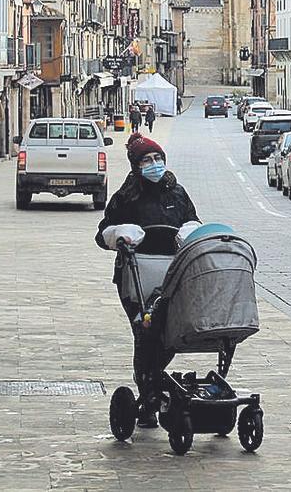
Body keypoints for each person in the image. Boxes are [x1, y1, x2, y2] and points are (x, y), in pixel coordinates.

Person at [95, 133, 199, 427]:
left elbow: (193, 222)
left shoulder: (177, 193)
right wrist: (120, 237)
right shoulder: (127, 196)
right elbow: (103, 232)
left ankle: (150, 381)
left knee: (170, 337)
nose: (154, 165)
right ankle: (148, 397)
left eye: (158, 159)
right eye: (147, 160)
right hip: (136, 277)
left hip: (173, 275)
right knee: (146, 332)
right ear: (136, 166)